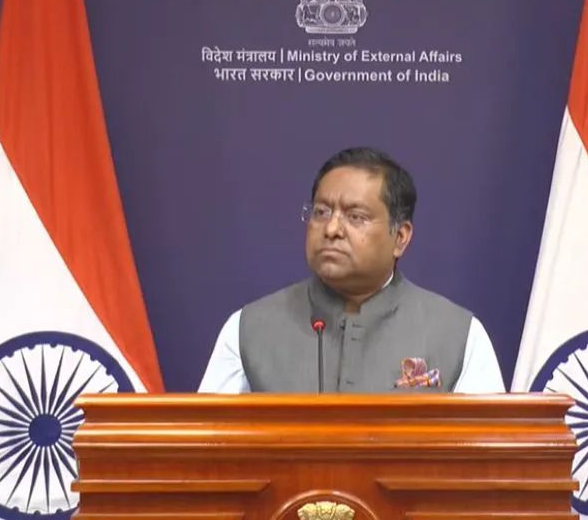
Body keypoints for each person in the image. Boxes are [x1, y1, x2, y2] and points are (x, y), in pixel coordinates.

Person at [199, 147, 504, 393]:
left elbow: (489, 448)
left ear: (400, 237)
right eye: (321, 212)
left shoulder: (459, 335)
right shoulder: (248, 328)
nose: (331, 229)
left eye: (356, 217)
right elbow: (207, 443)